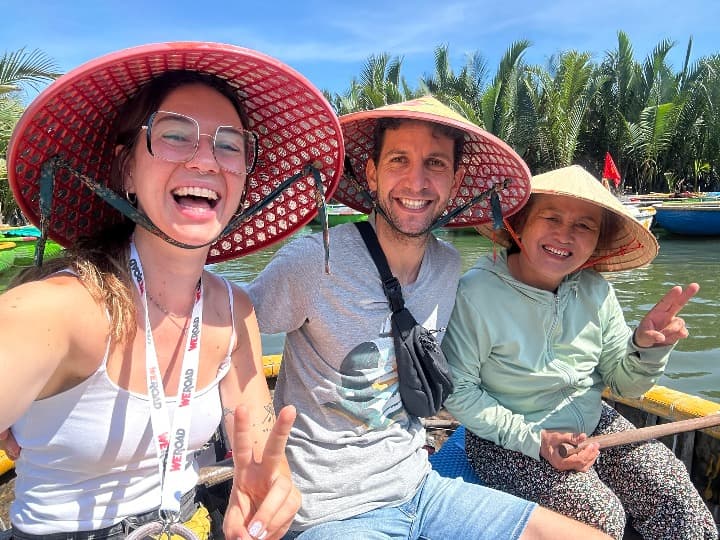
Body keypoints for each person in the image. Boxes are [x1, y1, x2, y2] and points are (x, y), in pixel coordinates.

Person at [0, 41, 345, 539]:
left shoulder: (232, 309)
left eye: (229, 145)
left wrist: (274, 491)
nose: (206, 160)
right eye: (175, 135)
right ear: (126, 170)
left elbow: (262, 450)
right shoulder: (61, 310)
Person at [247, 96, 612, 539]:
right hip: (329, 510)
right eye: (399, 160)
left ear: (456, 180)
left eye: (435, 164)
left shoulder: (447, 266)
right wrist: (255, 450)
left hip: (421, 487)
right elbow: (226, 329)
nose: (417, 182)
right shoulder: (314, 260)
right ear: (371, 172)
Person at [442, 165, 717, 539]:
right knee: (596, 516)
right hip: (503, 438)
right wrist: (536, 441)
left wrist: (647, 348)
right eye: (551, 217)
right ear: (519, 223)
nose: (565, 234)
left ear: (597, 240)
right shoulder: (475, 293)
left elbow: (625, 386)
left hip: (592, 425)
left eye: (584, 226)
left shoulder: (595, 290)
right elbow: (458, 391)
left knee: (669, 488)